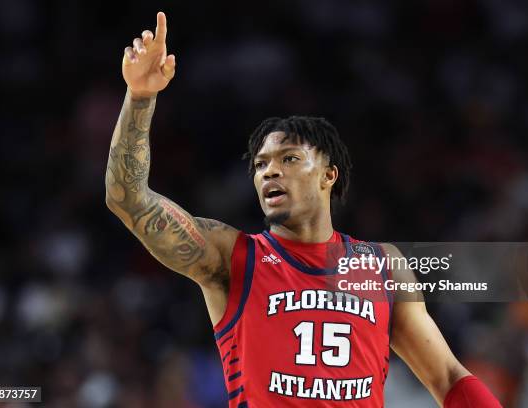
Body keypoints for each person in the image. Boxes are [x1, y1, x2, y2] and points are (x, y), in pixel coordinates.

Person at [105, 11, 502, 408]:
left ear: (328, 175)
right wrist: (140, 97)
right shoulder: (234, 257)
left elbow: (449, 377)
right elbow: (129, 198)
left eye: (289, 158)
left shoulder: (384, 266)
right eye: (260, 164)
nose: (270, 170)